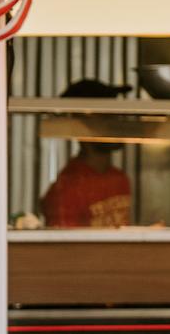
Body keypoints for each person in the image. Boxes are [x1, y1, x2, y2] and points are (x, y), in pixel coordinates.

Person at [40, 79, 133, 228]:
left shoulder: (120, 179)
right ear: (82, 123)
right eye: (107, 116)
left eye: (116, 114)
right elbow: (64, 249)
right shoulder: (66, 190)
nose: (116, 122)